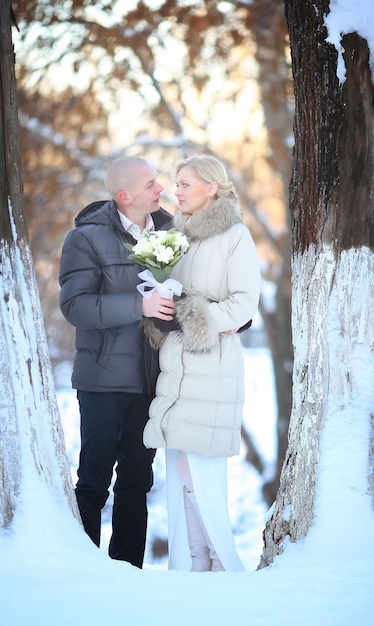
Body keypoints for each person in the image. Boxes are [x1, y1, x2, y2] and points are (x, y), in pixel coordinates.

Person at [142, 155, 261, 572]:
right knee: (179, 469)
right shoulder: (175, 235)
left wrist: (199, 319)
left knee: (201, 471)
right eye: (176, 184)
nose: (177, 191)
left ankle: (220, 563)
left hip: (212, 365)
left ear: (212, 187)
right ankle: (193, 565)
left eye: (185, 184)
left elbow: (244, 302)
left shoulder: (235, 236)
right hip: (175, 367)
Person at [59, 156, 176, 568]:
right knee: (93, 482)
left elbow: (187, 291)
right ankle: (84, 570)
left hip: (152, 381)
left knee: (137, 483)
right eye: (150, 184)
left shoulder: (169, 232)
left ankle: (128, 572)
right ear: (125, 196)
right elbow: (76, 307)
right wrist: (139, 305)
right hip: (103, 380)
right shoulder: (86, 240)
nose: (160, 189)